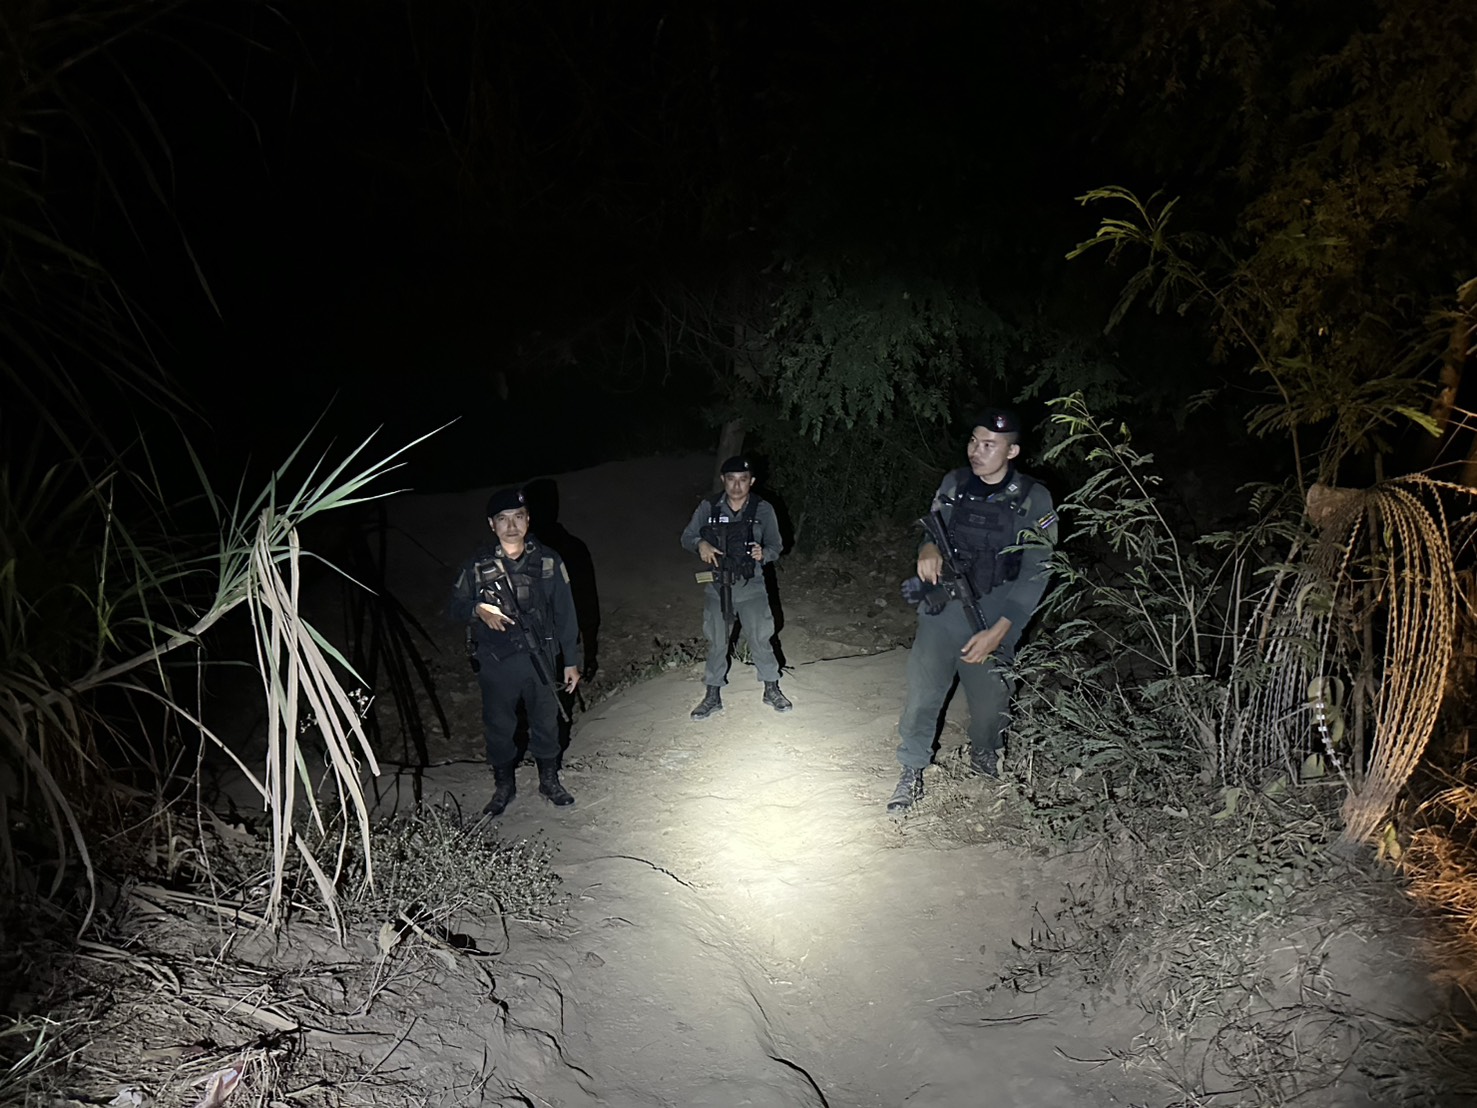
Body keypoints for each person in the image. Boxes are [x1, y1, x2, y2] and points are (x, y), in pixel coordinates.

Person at [888, 408, 1058, 814]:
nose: (976, 451)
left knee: (990, 702)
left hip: (996, 613)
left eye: (989, 445)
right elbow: (934, 529)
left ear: (1012, 451)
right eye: (973, 441)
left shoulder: (1034, 498)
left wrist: (1001, 630)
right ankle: (911, 768)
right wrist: (928, 549)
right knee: (923, 692)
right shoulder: (955, 483)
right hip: (943, 605)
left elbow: (1037, 571)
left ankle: (985, 752)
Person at [451, 487, 582, 817]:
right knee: (499, 726)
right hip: (496, 662)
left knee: (547, 722)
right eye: (503, 519)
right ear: (491, 524)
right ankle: (504, 786)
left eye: (518, 517)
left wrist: (571, 661)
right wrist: (478, 608)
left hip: (541, 657)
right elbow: (454, 607)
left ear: (528, 520)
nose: (511, 526)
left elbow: (566, 613)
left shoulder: (549, 561)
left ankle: (549, 781)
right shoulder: (476, 566)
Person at [680, 455, 792, 719]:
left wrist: (764, 553)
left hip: (751, 585)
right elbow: (687, 536)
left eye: (743, 480)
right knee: (717, 641)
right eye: (731, 479)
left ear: (751, 481)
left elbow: (777, 545)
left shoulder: (763, 509)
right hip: (717, 586)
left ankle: (771, 688)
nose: (737, 486)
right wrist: (700, 544)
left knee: (760, 637)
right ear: (723, 480)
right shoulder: (709, 507)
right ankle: (712, 694)